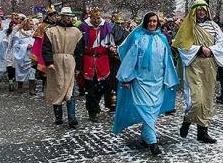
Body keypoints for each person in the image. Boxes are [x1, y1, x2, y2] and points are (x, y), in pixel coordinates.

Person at [113, 12, 179, 156]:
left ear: (158, 23)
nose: (152, 23)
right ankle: (152, 142)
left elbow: (167, 60)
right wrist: (126, 78)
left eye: (155, 21)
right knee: (146, 109)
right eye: (150, 21)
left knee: (153, 111)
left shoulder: (162, 39)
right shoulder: (139, 38)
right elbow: (131, 59)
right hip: (141, 82)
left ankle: (145, 134)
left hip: (158, 82)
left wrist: (169, 79)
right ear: (145, 22)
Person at [172, 0, 223, 143]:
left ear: (207, 11)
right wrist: (199, 49)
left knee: (207, 99)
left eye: (203, 9)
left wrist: (211, 50)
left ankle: (202, 132)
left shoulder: (214, 26)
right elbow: (182, 46)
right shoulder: (188, 27)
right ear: (194, 11)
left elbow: (222, 43)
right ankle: (187, 121)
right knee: (196, 100)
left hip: (209, 65)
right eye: (198, 9)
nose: (201, 12)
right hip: (193, 65)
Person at [42, 7, 82, 128]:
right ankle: (58, 117)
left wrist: (79, 66)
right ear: (61, 16)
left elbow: (79, 50)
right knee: (57, 88)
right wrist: (49, 62)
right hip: (56, 62)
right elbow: (46, 48)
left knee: (70, 89)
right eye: (66, 16)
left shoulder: (76, 32)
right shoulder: (52, 31)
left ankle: (72, 117)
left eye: (70, 16)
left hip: (70, 61)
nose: (68, 18)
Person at [77, 8, 116, 121]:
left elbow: (111, 42)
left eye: (98, 18)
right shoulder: (83, 27)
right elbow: (79, 45)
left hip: (102, 61)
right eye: (94, 18)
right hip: (88, 60)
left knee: (102, 86)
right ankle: (92, 111)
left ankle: (96, 104)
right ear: (91, 17)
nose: (96, 20)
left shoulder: (106, 27)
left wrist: (113, 49)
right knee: (90, 87)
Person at [31, 7, 58, 91]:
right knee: (45, 70)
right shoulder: (42, 26)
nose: (55, 18)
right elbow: (38, 42)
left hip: (56, 50)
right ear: (49, 16)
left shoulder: (57, 26)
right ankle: (45, 87)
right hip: (45, 50)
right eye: (54, 16)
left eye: (56, 16)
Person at [107, 13, 130, 111]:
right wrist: (112, 50)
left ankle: (122, 102)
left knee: (122, 82)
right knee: (112, 82)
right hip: (112, 62)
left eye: (121, 23)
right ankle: (111, 103)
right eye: (118, 23)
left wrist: (121, 53)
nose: (119, 25)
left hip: (122, 61)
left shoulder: (126, 33)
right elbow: (107, 44)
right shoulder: (110, 33)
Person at [13, 18, 37, 95]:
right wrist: (26, 46)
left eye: (32, 24)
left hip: (32, 56)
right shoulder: (19, 34)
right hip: (22, 56)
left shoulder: (35, 33)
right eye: (30, 24)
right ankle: (20, 86)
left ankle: (32, 89)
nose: (32, 25)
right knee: (20, 71)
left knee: (32, 72)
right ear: (26, 24)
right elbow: (15, 45)